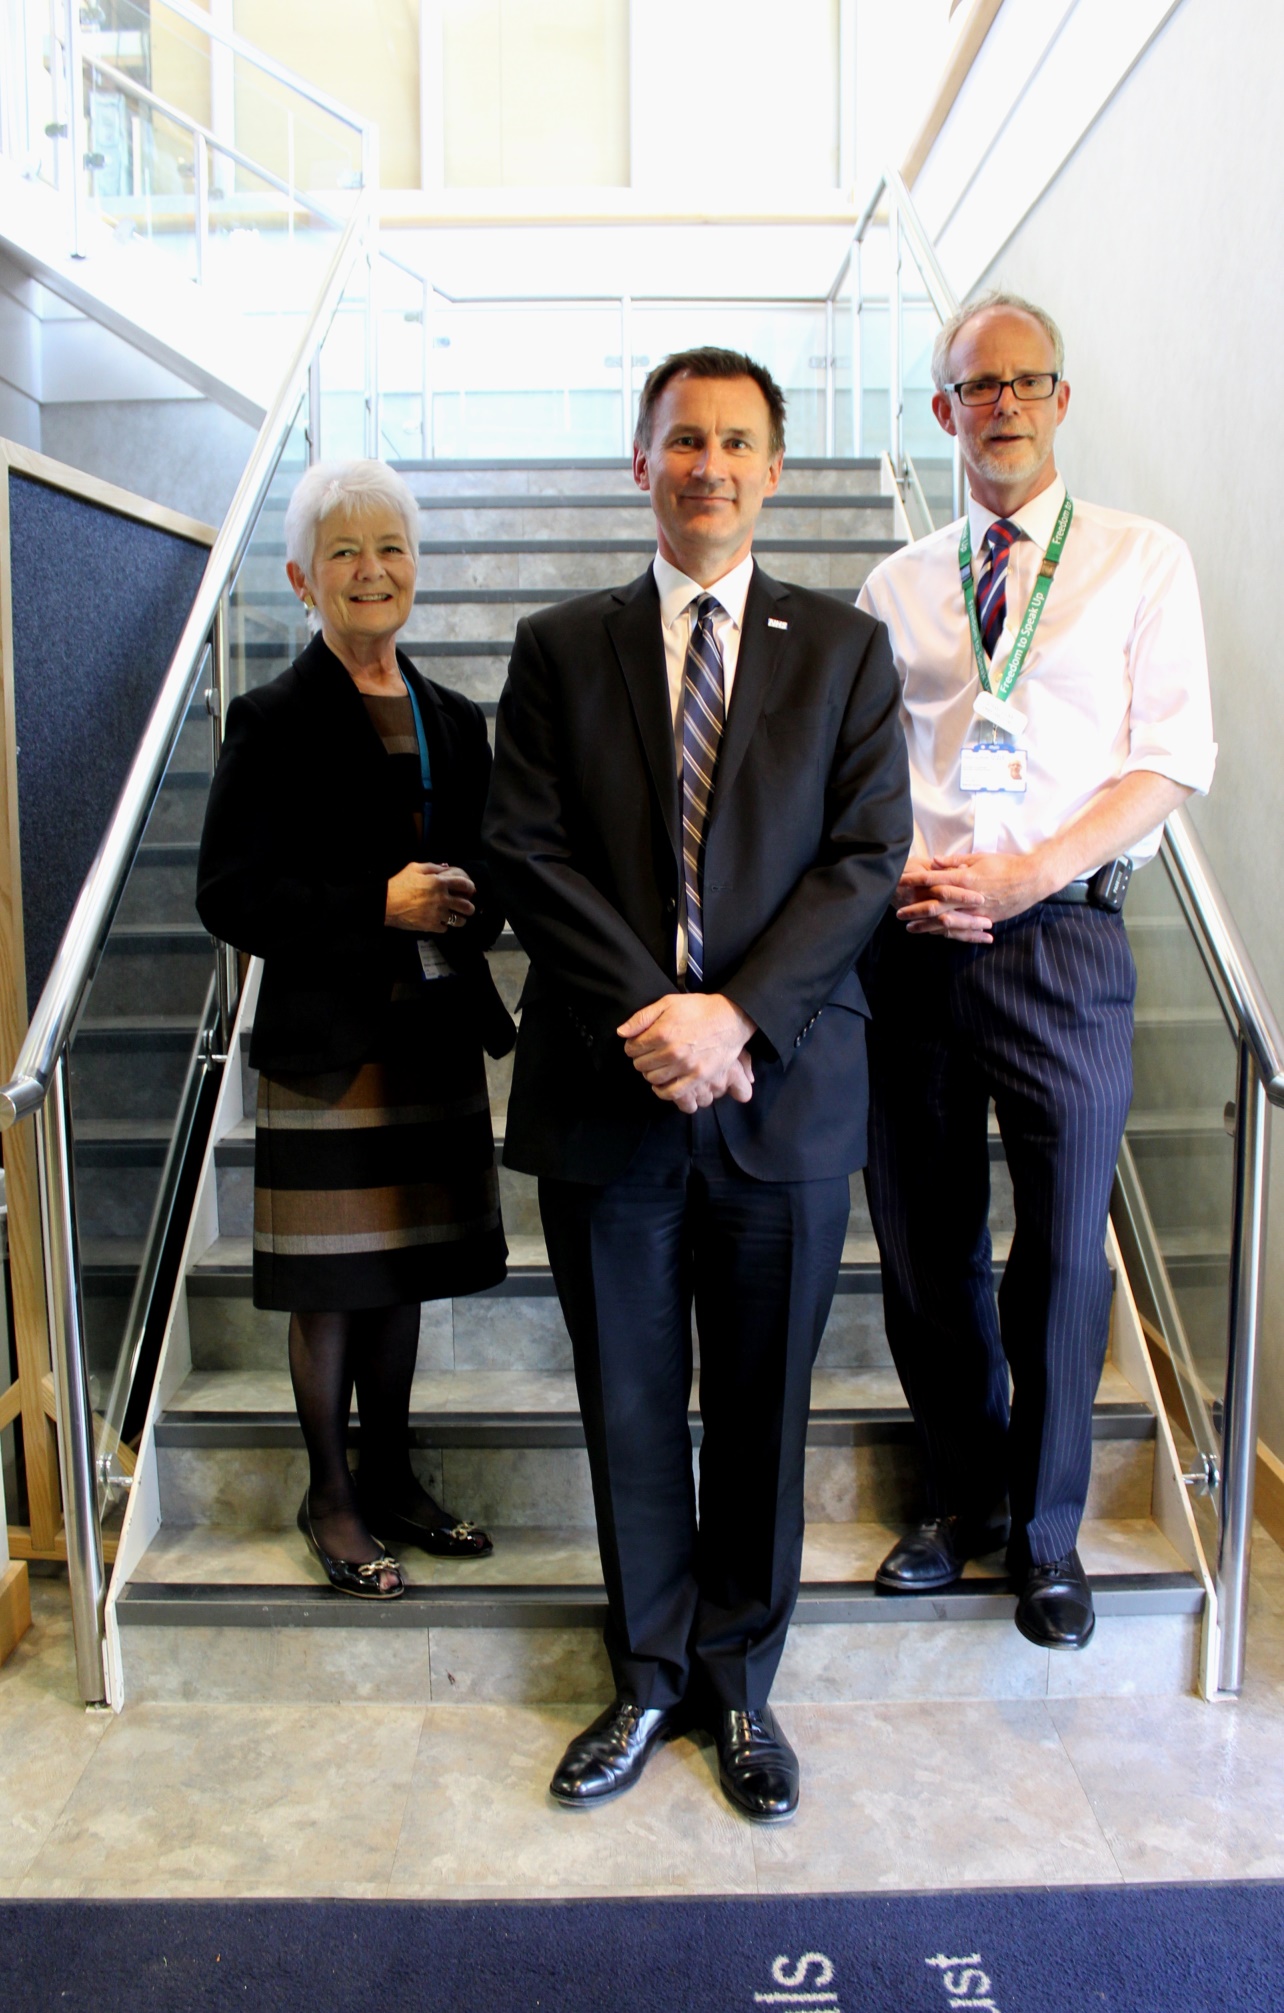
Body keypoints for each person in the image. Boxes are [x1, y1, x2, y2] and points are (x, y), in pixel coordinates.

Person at [484, 347, 911, 1819]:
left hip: (779, 1094)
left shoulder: (846, 651)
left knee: (763, 1409)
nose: (708, 463)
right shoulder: (558, 645)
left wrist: (736, 1016)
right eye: (682, 440)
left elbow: (866, 857)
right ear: (641, 462)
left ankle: (740, 1685)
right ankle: (649, 1671)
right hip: (609, 1092)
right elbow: (525, 851)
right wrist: (659, 1011)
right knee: (628, 1398)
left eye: (736, 441)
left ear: (775, 468)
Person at [857, 291, 1217, 1650]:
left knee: (1063, 1254)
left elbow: (1170, 761)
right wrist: (892, 871)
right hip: (910, 945)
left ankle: (1050, 1536)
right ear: (942, 411)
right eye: (975, 385)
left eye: (1027, 381)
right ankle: (965, 1507)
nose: (1001, 403)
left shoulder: (1139, 560)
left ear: (1061, 400)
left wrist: (1028, 871)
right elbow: (859, 772)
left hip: (1062, 941)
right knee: (924, 1246)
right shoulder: (896, 584)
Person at [197, 459, 514, 1600]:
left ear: (415, 569)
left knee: (405, 1276)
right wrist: (376, 904)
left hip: (429, 1030)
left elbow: (492, 862)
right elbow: (229, 893)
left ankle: (391, 1475)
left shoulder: (454, 718)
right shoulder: (273, 719)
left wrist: (478, 893)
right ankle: (329, 1492)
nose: (372, 570)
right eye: (344, 552)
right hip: (329, 1047)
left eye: (390, 549)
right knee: (334, 1285)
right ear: (300, 578)